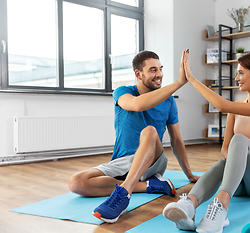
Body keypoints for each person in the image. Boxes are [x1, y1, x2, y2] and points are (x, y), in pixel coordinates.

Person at [68, 50, 199, 223]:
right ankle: (150, 186)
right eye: (153, 70)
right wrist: (179, 82)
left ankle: (124, 194)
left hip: (153, 160)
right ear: (138, 74)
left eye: (160, 69)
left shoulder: (168, 101)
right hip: (122, 161)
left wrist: (189, 174)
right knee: (76, 182)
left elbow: (176, 140)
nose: (159, 74)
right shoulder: (123, 92)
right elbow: (137, 105)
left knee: (150, 131)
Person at [163, 50, 250, 233]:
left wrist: (192, 80)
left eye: (241, 73)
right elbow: (225, 149)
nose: (237, 78)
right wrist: (236, 164)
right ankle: (189, 206)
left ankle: (221, 206)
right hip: (240, 183)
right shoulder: (236, 109)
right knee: (223, 162)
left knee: (240, 139)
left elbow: (222, 106)